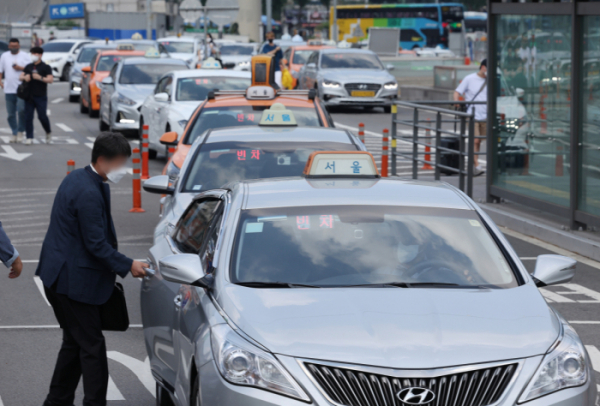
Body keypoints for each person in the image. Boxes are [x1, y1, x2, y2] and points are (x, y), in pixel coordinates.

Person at [36, 132, 148, 406]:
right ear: (102, 160)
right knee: (92, 348)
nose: (125, 169)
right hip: (72, 282)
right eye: (121, 163)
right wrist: (128, 264)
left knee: (75, 344)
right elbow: (96, 244)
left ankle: (57, 400)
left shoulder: (79, 178)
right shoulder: (87, 191)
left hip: (61, 276)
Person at [454, 58, 487, 176]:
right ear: (483, 67)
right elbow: (457, 92)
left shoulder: (491, 80)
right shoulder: (470, 78)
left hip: (486, 115)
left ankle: (474, 164)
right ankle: (477, 165)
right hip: (472, 114)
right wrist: (457, 101)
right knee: (475, 139)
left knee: (479, 142)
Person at [19, 46, 53, 145]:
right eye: (32, 54)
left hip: (41, 96)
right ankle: (29, 137)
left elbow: (50, 80)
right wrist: (25, 77)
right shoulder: (28, 66)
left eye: (35, 54)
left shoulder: (46, 67)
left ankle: (48, 132)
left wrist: (40, 78)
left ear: (40, 55)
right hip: (29, 96)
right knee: (28, 117)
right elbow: (20, 76)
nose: (33, 56)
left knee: (42, 116)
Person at [0, 38, 31, 143]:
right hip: (8, 89)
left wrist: (20, 68)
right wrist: (0, 82)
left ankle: (20, 131)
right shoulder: (4, 56)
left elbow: (30, 69)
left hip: (22, 89)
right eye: (12, 46)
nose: (14, 48)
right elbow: (1, 70)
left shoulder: (25, 56)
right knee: (10, 114)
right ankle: (14, 132)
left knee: (21, 110)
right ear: (9, 46)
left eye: (15, 46)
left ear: (19, 46)